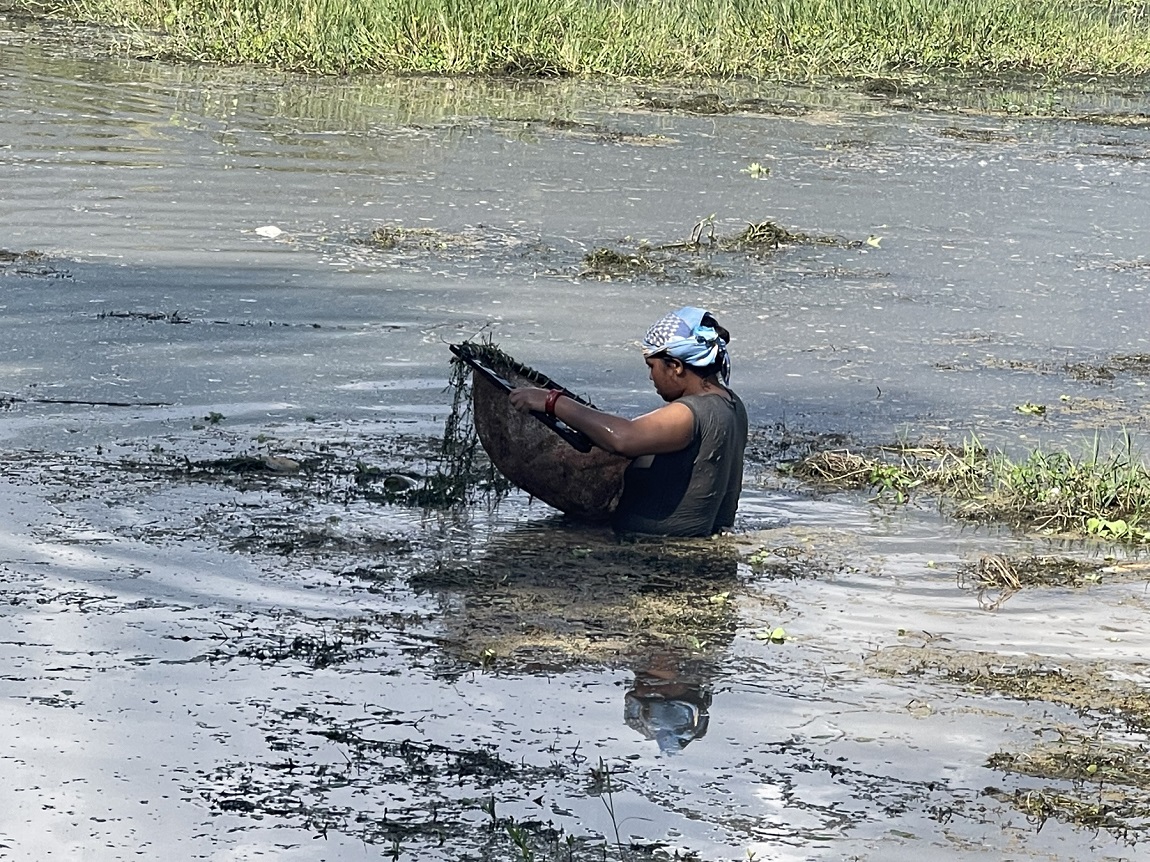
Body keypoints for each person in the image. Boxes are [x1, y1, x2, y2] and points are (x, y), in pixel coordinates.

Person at [508, 306, 748, 537]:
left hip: (656, 550)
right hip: (696, 545)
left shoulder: (688, 413)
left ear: (675, 366)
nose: (650, 376)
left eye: (652, 366)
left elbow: (623, 438)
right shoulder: (731, 403)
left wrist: (552, 401)